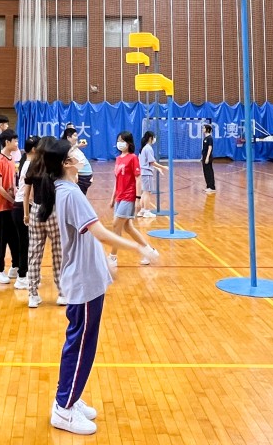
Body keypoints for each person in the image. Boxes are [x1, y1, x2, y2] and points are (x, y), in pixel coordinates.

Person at [32, 138, 159, 435]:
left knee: (81, 345)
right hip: (83, 280)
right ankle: (63, 408)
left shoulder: (65, 188)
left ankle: (70, 397)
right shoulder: (69, 193)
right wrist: (139, 248)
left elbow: (89, 237)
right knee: (80, 347)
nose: (79, 154)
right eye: (74, 153)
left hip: (86, 276)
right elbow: (99, 232)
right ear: (66, 163)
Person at [23, 137, 65, 308]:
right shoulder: (57, 166)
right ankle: (62, 293)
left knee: (34, 253)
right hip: (54, 211)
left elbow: (27, 192)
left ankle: (32, 295)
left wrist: (26, 214)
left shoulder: (33, 165)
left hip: (36, 211)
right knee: (58, 253)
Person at [107, 131, 155, 266]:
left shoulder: (133, 158)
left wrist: (137, 198)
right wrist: (113, 198)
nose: (120, 143)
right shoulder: (118, 159)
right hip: (119, 197)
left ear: (128, 143)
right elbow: (117, 180)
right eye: (118, 140)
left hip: (129, 196)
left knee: (116, 224)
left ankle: (113, 257)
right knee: (128, 227)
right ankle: (149, 251)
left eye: (122, 140)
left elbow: (138, 179)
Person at [0, 129, 20, 283]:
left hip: (11, 206)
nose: (17, 143)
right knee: (2, 240)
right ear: (7, 142)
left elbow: (11, 183)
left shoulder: (11, 159)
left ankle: (15, 266)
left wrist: (16, 193)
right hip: (2, 207)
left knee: (14, 238)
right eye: (15, 141)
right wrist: (12, 200)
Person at [11, 136, 38, 290]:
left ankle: (25, 273)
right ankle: (22, 276)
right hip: (23, 206)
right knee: (25, 243)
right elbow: (30, 192)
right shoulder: (30, 165)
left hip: (20, 205)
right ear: (34, 149)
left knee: (25, 242)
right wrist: (28, 213)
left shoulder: (24, 161)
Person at [137, 130, 166, 218]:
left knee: (144, 192)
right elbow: (152, 162)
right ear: (150, 138)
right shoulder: (148, 148)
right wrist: (163, 167)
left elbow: (147, 162)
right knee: (147, 193)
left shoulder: (143, 148)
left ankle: (142, 211)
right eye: (154, 137)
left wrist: (158, 168)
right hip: (147, 173)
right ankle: (147, 211)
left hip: (143, 172)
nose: (154, 139)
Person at [61, 126, 93, 195]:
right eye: (75, 136)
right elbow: (67, 153)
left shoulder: (74, 147)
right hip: (81, 177)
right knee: (80, 197)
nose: (77, 138)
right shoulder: (66, 148)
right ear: (68, 137)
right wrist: (78, 146)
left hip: (85, 176)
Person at [202, 123, 216, 194]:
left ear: (207, 129)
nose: (202, 129)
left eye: (204, 128)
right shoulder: (205, 138)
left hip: (208, 157)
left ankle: (212, 187)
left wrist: (207, 157)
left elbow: (210, 148)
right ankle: (208, 186)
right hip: (204, 156)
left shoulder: (210, 138)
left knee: (209, 172)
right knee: (205, 172)